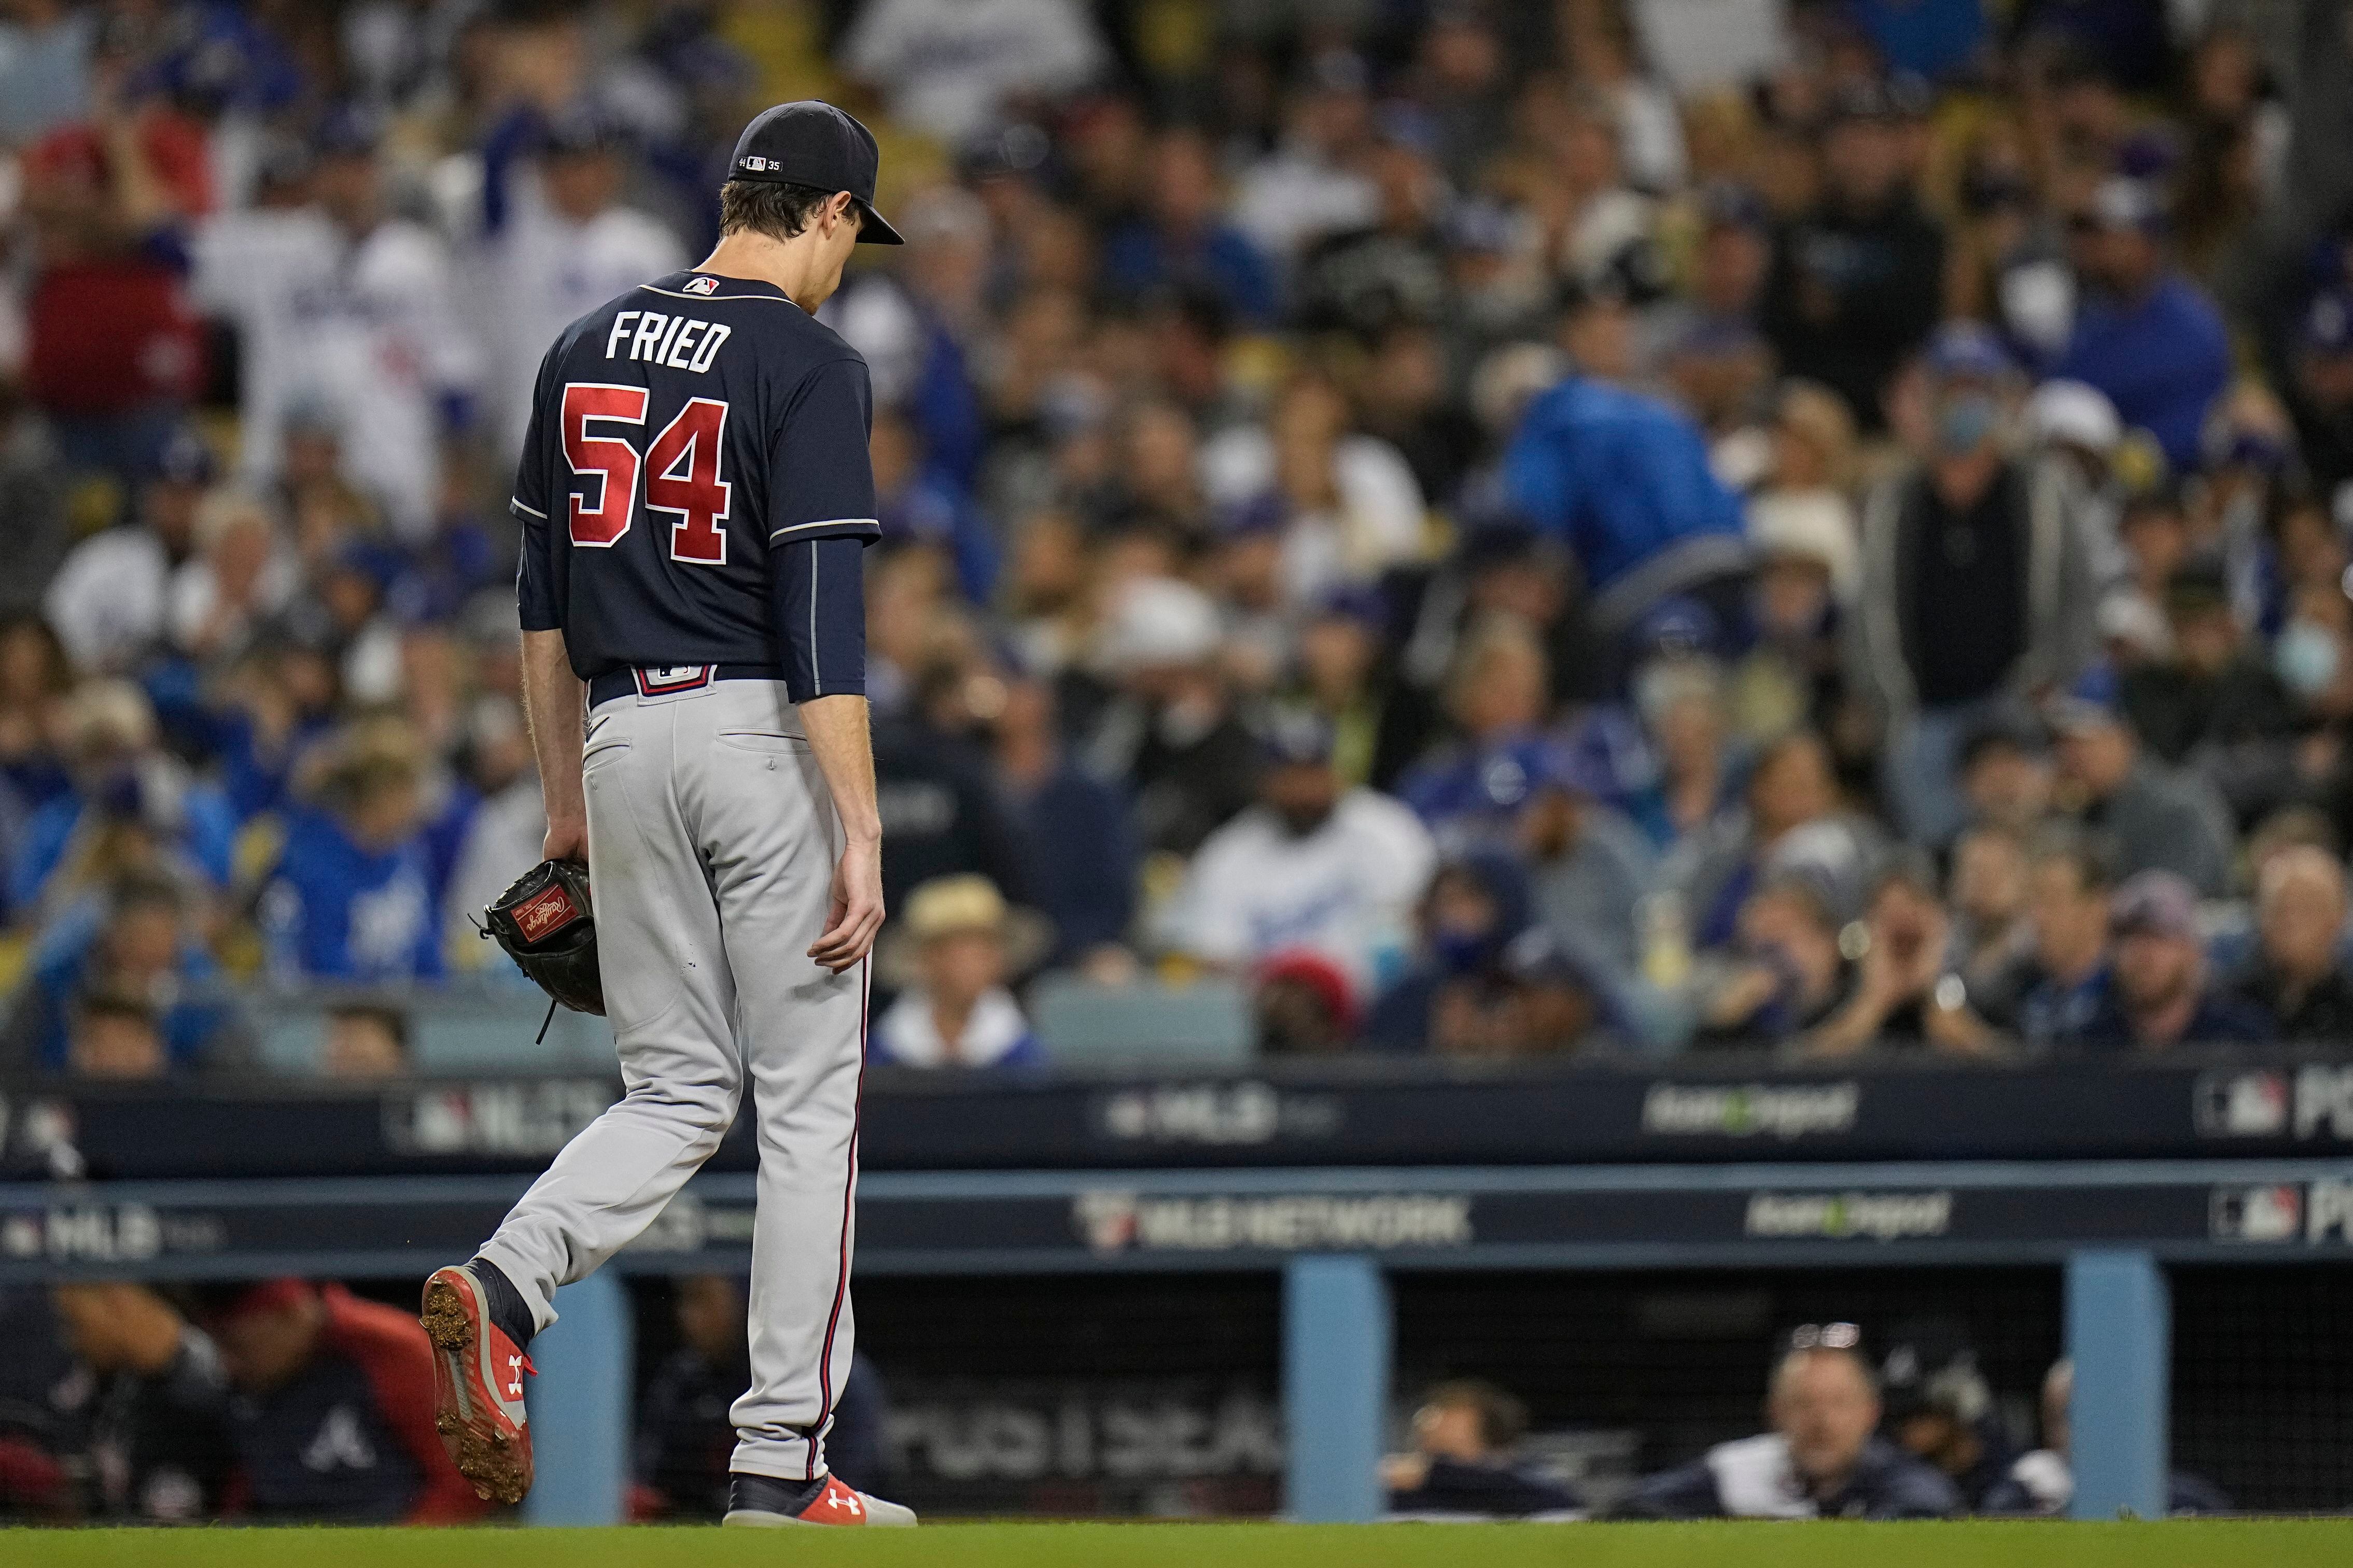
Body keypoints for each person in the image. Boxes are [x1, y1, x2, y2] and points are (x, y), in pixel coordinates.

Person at [421, 102, 916, 1528]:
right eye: (849, 234)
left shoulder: (581, 347)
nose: (847, 261)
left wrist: (567, 804)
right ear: (823, 213)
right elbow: (820, 607)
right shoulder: (809, 362)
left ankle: (507, 1283)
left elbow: (540, 610)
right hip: (762, 733)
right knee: (810, 1107)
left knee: (677, 1089)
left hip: (626, 730)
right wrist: (862, 825)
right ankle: (781, 1464)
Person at [1848, 324, 2099, 846]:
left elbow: (2079, 598)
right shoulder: (1894, 503)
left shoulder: (2041, 493)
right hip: (1922, 719)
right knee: (1940, 852)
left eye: (1977, 391)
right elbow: (1866, 613)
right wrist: (1891, 711)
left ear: (2000, 398)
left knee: (2028, 846)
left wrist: (2050, 684)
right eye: (1952, 391)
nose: (1965, 406)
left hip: (2020, 709)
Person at [1174, 709, 1435, 997]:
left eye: (1313, 773)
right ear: (1264, 782)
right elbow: (1215, 959)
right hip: (1272, 1018)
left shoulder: (1385, 829)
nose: (1304, 791)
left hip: (1376, 1005)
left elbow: (1418, 924)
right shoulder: (1228, 854)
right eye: (1290, 777)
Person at [211, 1278, 486, 1523]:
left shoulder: (393, 1350)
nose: (229, 1365)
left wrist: (399, 1551)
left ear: (291, 1315)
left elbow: (467, 1478)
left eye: (238, 1348)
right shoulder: (256, 1381)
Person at [1620, 1325, 1960, 1519]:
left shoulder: (1896, 1473)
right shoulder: (1739, 1470)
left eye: (1839, 1403)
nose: (1822, 1421)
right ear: (1775, 1414)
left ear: (1870, 1413)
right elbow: (1633, 1507)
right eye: (1804, 1404)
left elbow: (1931, 1506)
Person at [1760, 79, 1945, 432]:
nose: (1865, 156)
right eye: (1852, 141)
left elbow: (1919, 321)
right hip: (1804, 420)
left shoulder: (1923, 234)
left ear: (1896, 151)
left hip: (1889, 421)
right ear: (1831, 150)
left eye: (1876, 141)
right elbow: (1776, 319)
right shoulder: (1798, 230)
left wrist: (1839, 306)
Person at [635, 1275, 894, 1521]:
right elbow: (652, 1486)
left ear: (747, 1297)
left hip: (815, 1522)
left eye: (703, 1299)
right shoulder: (683, 1380)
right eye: (685, 1301)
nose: (688, 1317)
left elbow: (855, 1482)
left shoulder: (829, 1374)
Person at [2052, 177, 2232, 475]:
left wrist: (2133, 452)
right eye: (2101, 238)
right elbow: (2062, 395)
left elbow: (2203, 424)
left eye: (2117, 238)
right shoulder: (2089, 322)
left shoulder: (2193, 325)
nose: (2104, 250)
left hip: (2177, 483)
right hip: (2092, 478)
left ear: (2148, 245)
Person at [47, 1282, 232, 1521]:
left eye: (74, 1322)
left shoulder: (214, 1381)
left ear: (117, 1300)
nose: (72, 1340)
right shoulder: (115, 1380)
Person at [2048, 684, 2235, 897]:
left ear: (2124, 739)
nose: (2071, 760)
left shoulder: (2173, 807)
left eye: (2082, 746)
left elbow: (2173, 907)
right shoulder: (2093, 805)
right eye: (2065, 747)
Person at [1983, 1360, 2232, 1516]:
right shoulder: (2022, 1494)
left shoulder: (2184, 1498)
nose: (2066, 1431)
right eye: (2057, 1417)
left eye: (2083, 1415)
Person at [2071, 869, 2273, 1053]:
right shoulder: (2089, 1044)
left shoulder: (2241, 1038)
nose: (2144, 954)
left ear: (2193, 949)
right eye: (2130, 939)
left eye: (2160, 938)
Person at [871, 874, 1046, 1070]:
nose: (974, 964)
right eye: (959, 951)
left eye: (985, 949)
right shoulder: (887, 1049)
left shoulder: (1022, 1052)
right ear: (926, 960)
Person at [1381, 1378, 1582, 1519]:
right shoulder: (1411, 1486)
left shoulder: (1525, 1479)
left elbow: (1557, 1498)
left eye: (1449, 1418)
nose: (1431, 1424)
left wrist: (1433, 1474)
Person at [2233, 846, 2353, 1043]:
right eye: (2279, 908)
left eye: (2306, 908)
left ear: (2338, 917)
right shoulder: (2228, 1006)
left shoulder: (2347, 1004)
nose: (2290, 921)